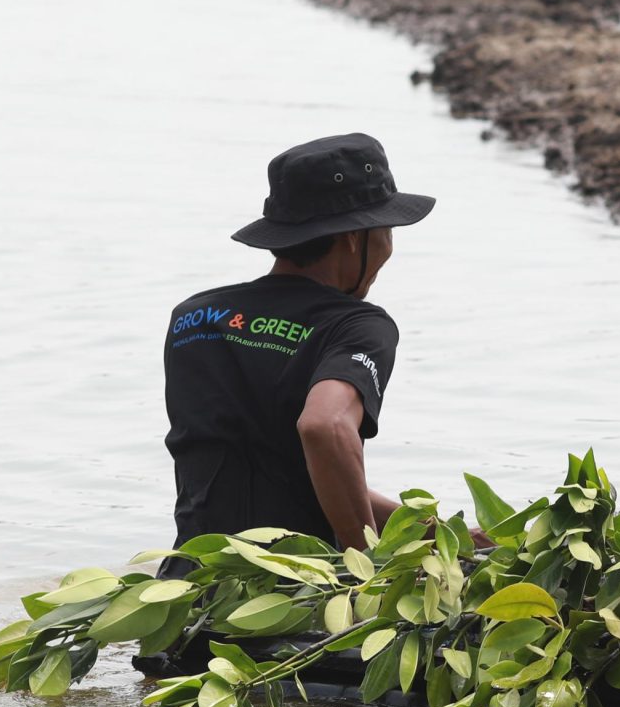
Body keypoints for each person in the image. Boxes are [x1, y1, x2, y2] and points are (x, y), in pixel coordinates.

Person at [162, 132, 434, 550]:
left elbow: (285, 475)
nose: (388, 248)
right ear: (352, 237)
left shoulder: (195, 318)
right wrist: (363, 564)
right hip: (296, 588)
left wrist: (432, 532)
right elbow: (324, 427)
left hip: (196, 577)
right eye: (388, 230)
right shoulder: (356, 326)